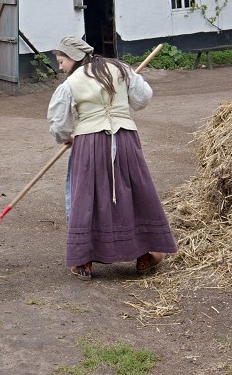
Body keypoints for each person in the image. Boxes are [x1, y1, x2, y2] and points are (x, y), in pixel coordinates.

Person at [47, 36, 178, 280]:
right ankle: (143, 254)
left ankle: (84, 261)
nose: (60, 66)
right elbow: (143, 98)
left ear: (74, 58)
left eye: (61, 60)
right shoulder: (121, 69)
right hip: (126, 138)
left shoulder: (70, 84)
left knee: (88, 195)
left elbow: (58, 122)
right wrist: (120, 99)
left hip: (89, 143)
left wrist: (65, 137)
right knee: (133, 190)